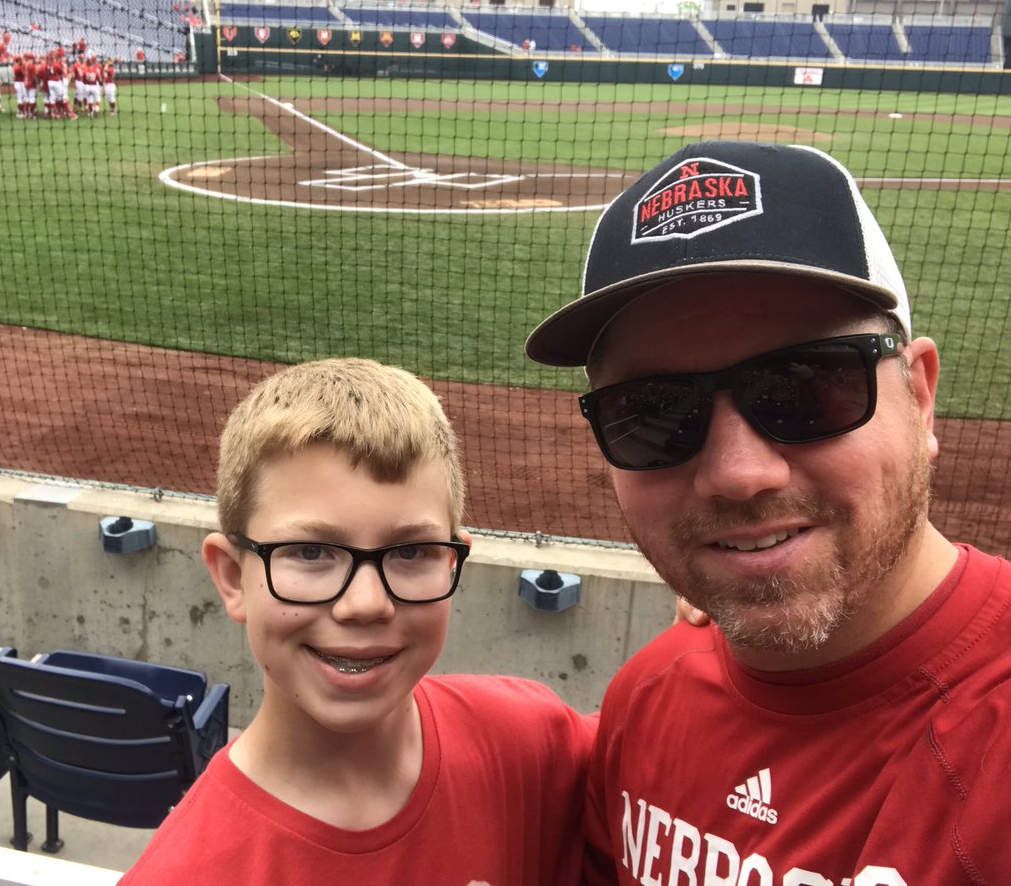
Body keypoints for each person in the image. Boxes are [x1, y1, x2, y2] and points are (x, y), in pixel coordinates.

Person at [525, 140, 1011, 884]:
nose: (736, 474)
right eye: (653, 412)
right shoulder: (647, 701)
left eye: (804, 386)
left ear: (919, 393)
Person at [119, 358, 593, 884]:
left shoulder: (529, 744)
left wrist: (705, 616)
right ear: (233, 577)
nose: (366, 604)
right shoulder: (185, 873)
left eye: (412, 551)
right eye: (311, 550)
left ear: (453, 562)